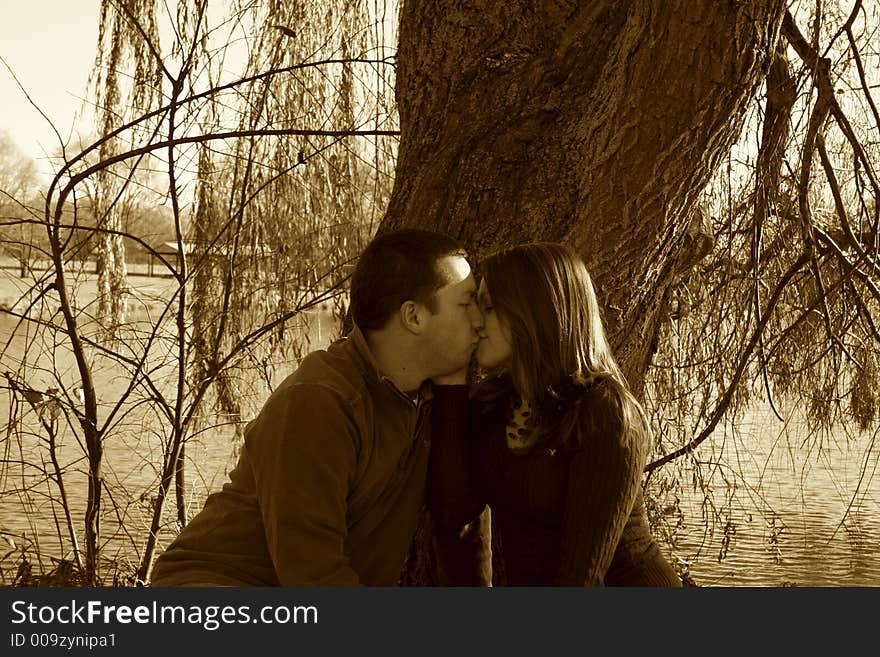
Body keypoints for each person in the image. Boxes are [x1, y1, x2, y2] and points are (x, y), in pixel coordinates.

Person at [150, 229, 483, 586]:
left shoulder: (428, 396)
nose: (480, 320)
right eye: (466, 305)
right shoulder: (321, 401)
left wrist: (454, 388)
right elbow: (312, 574)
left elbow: (457, 517)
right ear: (414, 317)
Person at [428, 242, 681, 586]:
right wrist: (450, 380)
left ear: (531, 313)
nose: (475, 321)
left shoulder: (606, 415)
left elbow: (582, 577)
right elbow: (454, 512)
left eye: (487, 308)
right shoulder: (494, 404)